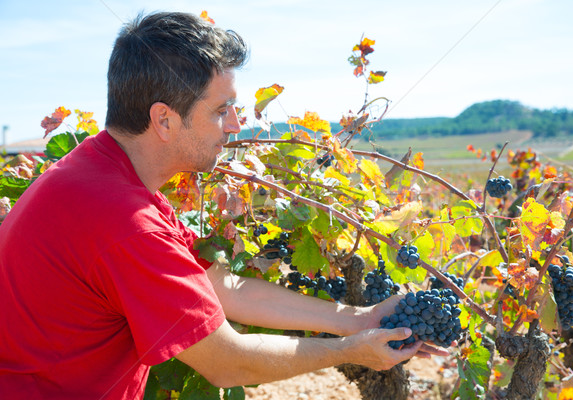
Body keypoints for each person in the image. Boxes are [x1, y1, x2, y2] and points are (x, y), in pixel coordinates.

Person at [0, 11, 448, 399]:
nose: (235, 125)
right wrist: (350, 353)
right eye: (220, 110)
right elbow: (227, 361)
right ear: (164, 119)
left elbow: (221, 287)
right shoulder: (123, 221)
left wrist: (359, 319)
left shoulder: (105, 173)